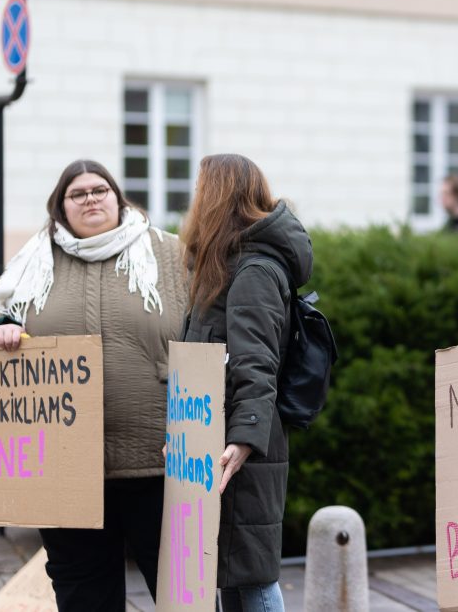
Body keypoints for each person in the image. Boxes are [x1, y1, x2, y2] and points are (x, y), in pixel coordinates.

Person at [0, 159, 189, 611]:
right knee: (82, 595)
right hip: (65, 469)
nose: (91, 199)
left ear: (118, 197)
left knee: (182, 595)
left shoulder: (169, 253)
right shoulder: (34, 260)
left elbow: (211, 326)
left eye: (100, 190)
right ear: (61, 208)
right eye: (78, 193)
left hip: (161, 460)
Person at [181, 154, 313, 612]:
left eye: (200, 190)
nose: (193, 200)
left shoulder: (253, 270)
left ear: (217, 197)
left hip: (240, 449)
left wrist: (242, 441)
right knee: (233, 578)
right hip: (220, 439)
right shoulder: (229, 264)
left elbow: (256, 364)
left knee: (252, 579)